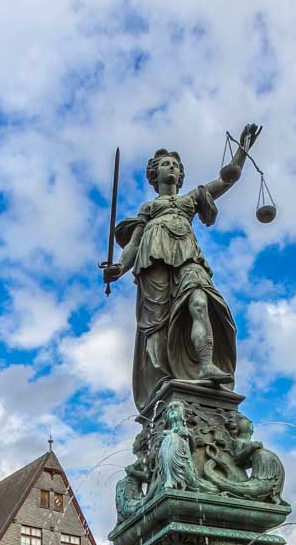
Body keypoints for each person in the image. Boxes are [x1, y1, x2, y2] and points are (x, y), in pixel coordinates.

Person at [101, 124, 261, 410]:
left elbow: (225, 181)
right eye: (165, 164)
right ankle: (162, 381)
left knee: (200, 301)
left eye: (175, 165)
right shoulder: (148, 209)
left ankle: (206, 364)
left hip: (188, 256)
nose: (171, 168)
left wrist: (241, 154)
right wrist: (119, 268)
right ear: (155, 174)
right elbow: (134, 245)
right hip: (153, 258)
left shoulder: (191, 199)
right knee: (157, 324)